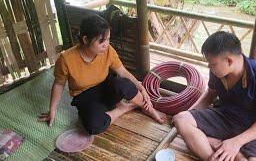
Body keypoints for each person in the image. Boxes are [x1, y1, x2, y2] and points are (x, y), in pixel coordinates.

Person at [38, 15, 167, 135]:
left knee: (123, 84)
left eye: (108, 39)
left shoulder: (108, 51)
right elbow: (58, 85)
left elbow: (123, 72)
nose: (106, 45)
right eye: (101, 41)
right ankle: (124, 108)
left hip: (106, 87)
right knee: (93, 126)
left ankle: (148, 108)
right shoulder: (66, 59)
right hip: (85, 97)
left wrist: (142, 89)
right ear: (85, 39)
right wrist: (52, 110)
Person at [173, 31, 256, 161]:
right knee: (181, 118)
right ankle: (214, 157)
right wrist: (189, 113)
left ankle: (215, 143)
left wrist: (236, 142)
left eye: (212, 64)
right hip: (224, 117)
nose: (209, 67)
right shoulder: (218, 71)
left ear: (229, 60)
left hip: (254, 127)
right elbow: (210, 94)